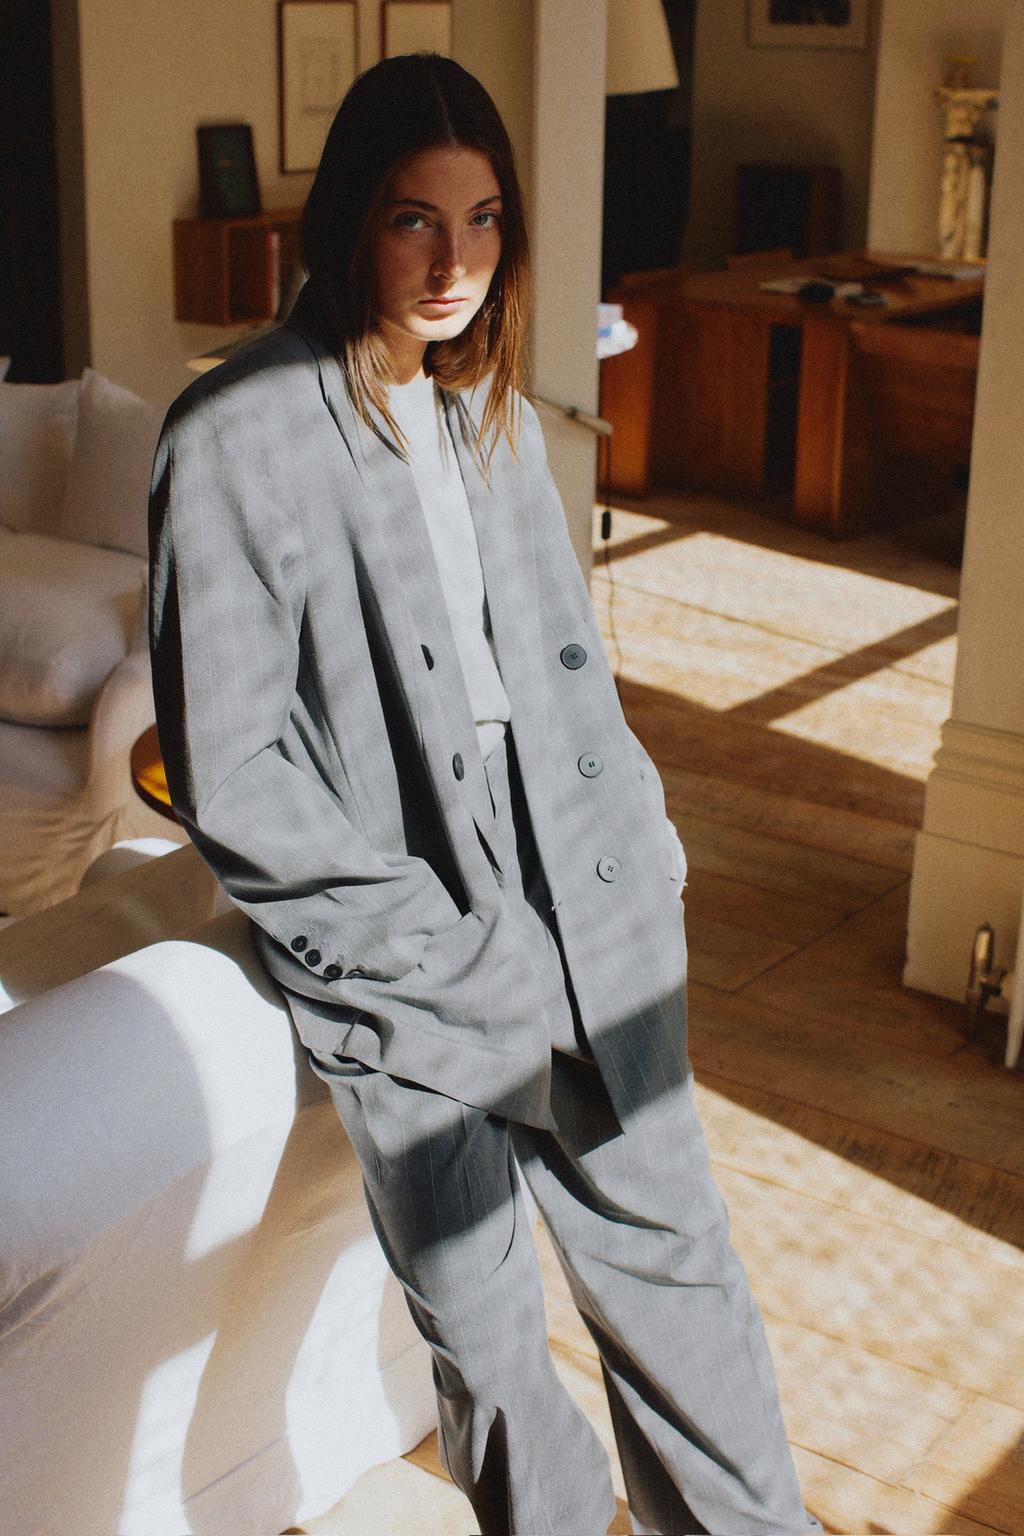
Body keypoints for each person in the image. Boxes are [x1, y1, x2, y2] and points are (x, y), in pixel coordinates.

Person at [150, 52, 819, 1536]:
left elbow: (571, 673)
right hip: (408, 931)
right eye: (415, 220)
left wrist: (643, 839)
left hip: (588, 894)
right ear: (351, 219)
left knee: (684, 1293)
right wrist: (426, 944)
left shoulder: (496, 409)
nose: (454, 264)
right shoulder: (233, 434)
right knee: (490, 1342)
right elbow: (231, 769)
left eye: (484, 220)